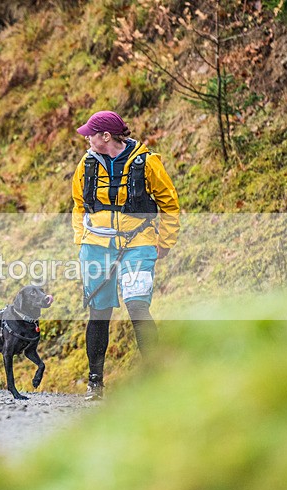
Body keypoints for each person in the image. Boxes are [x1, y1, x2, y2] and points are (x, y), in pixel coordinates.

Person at [71, 110, 180, 400]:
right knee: (99, 312)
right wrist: (81, 240)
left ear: (106, 136)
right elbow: (79, 205)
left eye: (90, 134)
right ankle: (95, 383)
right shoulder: (86, 164)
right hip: (96, 246)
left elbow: (169, 203)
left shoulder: (148, 162)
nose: (87, 139)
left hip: (138, 242)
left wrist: (165, 241)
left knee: (137, 306)